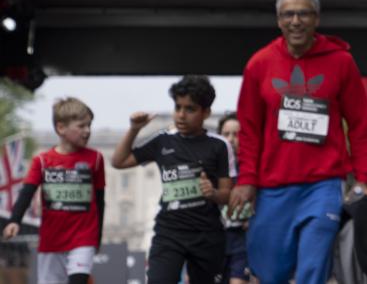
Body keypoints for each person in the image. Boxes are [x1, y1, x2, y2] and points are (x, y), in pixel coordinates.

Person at [227, 0, 367, 284]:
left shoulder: (341, 62)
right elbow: (250, 130)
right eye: (288, 14)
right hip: (272, 187)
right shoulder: (259, 64)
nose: (296, 21)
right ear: (279, 20)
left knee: (313, 265)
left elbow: (359, 126)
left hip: (323, 184)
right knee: (270, 271)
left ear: (316, 18)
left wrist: (362, 179)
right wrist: (246, 180)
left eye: (303, 13)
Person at [111, 75, 235, 284]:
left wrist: (213, 193)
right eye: (178, 107)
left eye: (190, 109)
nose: (181, 115)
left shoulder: (219, 146)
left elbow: (226, 195)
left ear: (206, 112)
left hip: (207, 235)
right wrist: (134, 129)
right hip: (169, 233)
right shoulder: (162, 141)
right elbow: (119, 161)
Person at [2, 98, 105, 284]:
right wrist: (14, 220)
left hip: (84, 237)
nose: (87, 131)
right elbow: (27, 192)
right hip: (52, 239)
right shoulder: (42, 161)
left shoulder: (96, 159)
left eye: (89, 125)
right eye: (81, 126)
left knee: (79, 280)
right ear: (61, 128)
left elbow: (100, 200)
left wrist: (97, 237)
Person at [218, 113, 253, 284]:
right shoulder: (212, 168)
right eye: (226, 134)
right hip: (216, 241)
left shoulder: (251, 169)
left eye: (236, 134)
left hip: (243, 241)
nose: (231, 139)